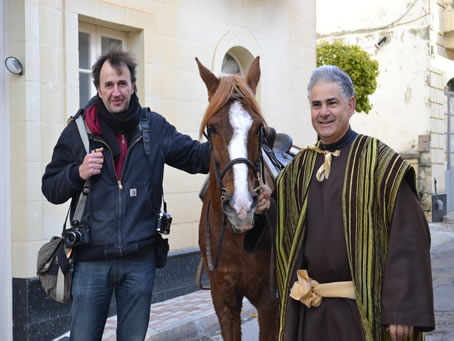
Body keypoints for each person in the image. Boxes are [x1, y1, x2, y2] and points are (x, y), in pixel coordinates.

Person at [41, 48, 211, 340]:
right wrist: (77, 172)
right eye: (109, 85)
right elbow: (50, 187)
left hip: (139, 261)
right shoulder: (79, 132)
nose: (116, 92)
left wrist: (237, 135)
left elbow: (198, 157)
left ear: (133, 86)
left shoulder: (154, 127)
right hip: (91, 262)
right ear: (98, 88)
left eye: (122, 83)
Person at [274, 65, 435, 341]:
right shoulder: (297, 169)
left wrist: (402, 310)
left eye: (331, 103)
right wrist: (264, 205)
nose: (323, 112)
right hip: (311, 316)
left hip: (362, 317)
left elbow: (408, 239)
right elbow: (279, 227)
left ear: (351, 106)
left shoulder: (381, 163)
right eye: (316, 105)